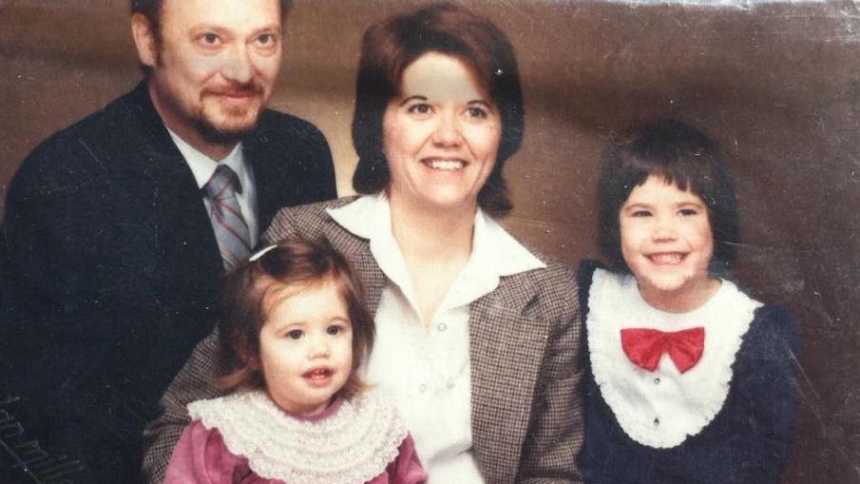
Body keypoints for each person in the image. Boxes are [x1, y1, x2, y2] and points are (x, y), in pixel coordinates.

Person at [144, 3, 583, 483]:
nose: (449, 136)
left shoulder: (546, 293)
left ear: (504, 131)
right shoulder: (306, 239)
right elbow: (181, 418)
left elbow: (552, 473)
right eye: (421, 108)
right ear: (379, 124)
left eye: (475, 111)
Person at [0, 0, 335, 482]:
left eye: (263, 39)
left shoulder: (302, 150)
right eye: (210, 40)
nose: (242, 70)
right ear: (147, 40)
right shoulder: (66, 181)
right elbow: (55, 423)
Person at [576, 120, 799, 483]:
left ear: (716, 223)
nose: (664, 233)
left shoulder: (757, 334)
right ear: (614, 225)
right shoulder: (589, 300)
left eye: (687, 211)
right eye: (642, 213)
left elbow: (762, 466)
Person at [163, 238, 426, 483]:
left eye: (334, 330)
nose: (320, 349)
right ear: (250, 350)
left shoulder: (377, 427)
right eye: (295, 334)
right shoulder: (226, 432)